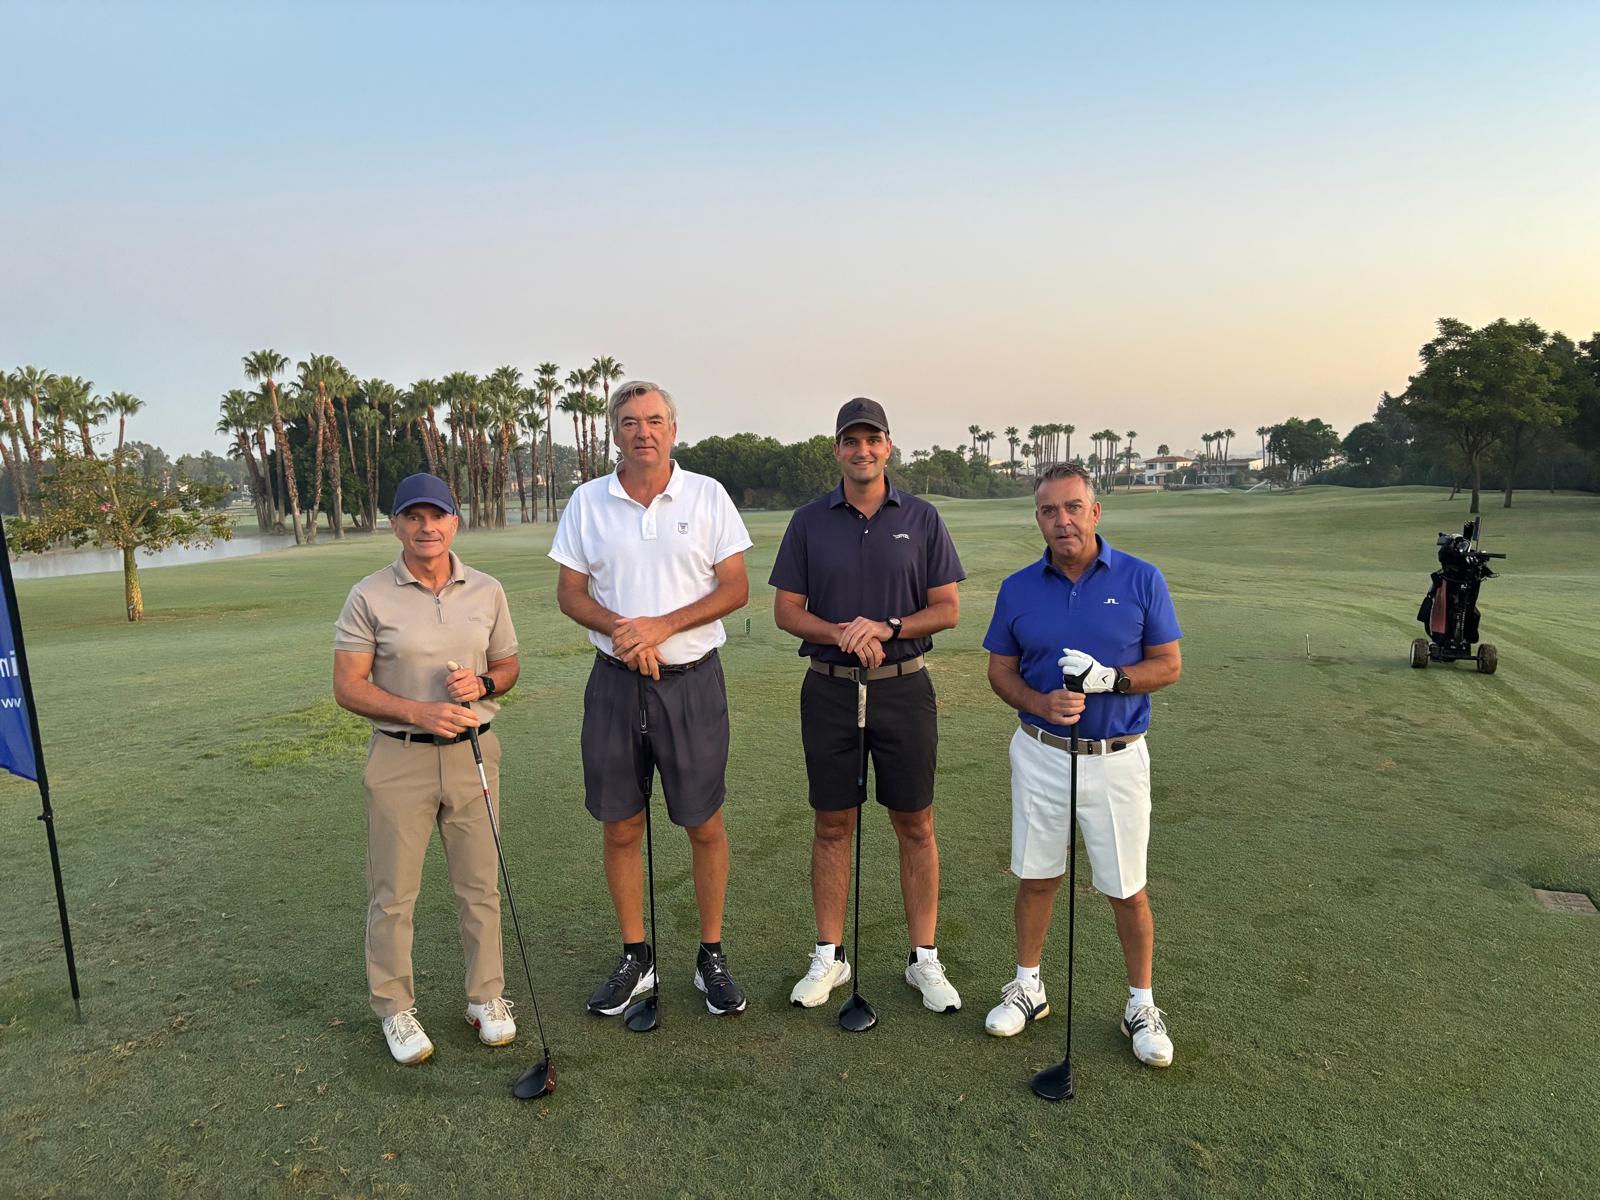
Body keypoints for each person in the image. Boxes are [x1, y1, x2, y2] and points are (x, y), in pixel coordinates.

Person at [550, 380, 753, 1018]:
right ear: (615, 432)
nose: (644, 431)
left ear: (673, 429)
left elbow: (735, 588)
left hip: (692, 681)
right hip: (616, 682)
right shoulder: (587, 501)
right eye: (631, 421)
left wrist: (660, 627)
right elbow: (570, 593)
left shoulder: (707, 494)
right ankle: (635, 956)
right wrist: (626, 632)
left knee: (703, 822)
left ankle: (710, 954)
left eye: (655, 420)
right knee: (620, 824)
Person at [981, 463, 1181, 1067]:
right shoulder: (1018, 588)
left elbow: (1168, 665)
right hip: (1041, 753)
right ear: (1038, 519)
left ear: (1095, 512)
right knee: (1036, 876)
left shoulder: (1141, 578)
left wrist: (1110, 679)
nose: (1062, 520)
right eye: (1049, 510)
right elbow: (1000, 671)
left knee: (1126, 888)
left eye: (1072, 507)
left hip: (1115, 757)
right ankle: (1029, 987)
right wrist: (1039, 701)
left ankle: (1141, 1004)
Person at [770, 398, 965, 1014]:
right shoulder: (808, 521)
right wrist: (844, 634)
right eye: (851, 441)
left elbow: (947, 609)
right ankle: (829, 955)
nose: (862, 450)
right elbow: (786, 611)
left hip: (904, 689)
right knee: (833, 824)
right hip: (829, 689)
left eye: (872, 439)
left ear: (888, 446)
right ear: (837, 450)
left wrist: (886, 626)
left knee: (916, 823)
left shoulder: (922, 517)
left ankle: (923, 958)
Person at [333, 472, 521, 1065]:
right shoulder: (369, 594)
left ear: (454, 522)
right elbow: (347, 686)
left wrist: (484, 683)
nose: (426, 527)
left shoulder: (486, 589)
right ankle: (394, 1007)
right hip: (400, 757)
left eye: (436, 516)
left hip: (473, 753)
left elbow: (508, 666)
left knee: (480, 885)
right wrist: (421, 711)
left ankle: (485, 997)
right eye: (413, 517)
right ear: (396, 525)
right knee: (393, 893)